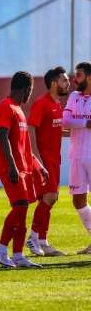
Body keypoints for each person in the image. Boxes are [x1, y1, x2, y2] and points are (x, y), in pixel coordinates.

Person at [0, 71, 47, 268]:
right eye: (30, 91)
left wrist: (37, 166)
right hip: (11, 168)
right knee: (20, 206)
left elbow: (23, 146)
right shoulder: (6, 107)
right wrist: (12, 166)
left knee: (23, 211)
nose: (29, 95)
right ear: (27, 89)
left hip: (24, 169)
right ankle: (1, 251)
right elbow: (2, 137)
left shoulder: (19, 110)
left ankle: (18, 255)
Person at [26, 67, 70, 256]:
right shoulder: (41, 103)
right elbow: (31, 129)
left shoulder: (57, 104)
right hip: (44, 160)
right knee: (49, 197)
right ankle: (33, 239)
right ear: (54, 83)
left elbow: (54, 129)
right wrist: (37, 160)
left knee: (50, 200)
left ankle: (42, 241)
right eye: (64, 80)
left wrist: (80, 131)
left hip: (55, 159)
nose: (67, 84)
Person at [63, 62, 91, 254]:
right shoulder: (73, 96)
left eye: (78, 75)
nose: (74, 79)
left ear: (89, 77)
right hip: (76, 156)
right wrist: (86, 122)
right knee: (78, 200)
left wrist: (77, 123)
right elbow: (65, 121)